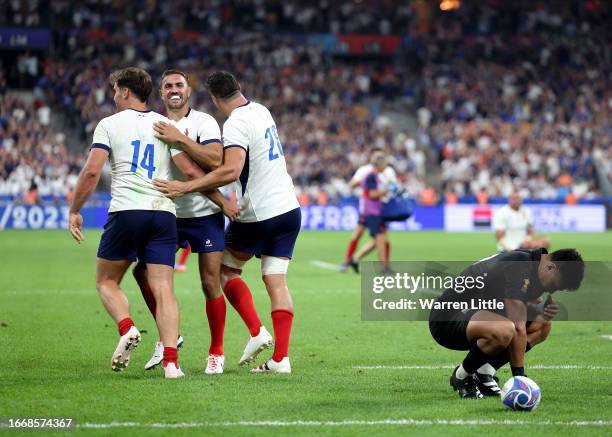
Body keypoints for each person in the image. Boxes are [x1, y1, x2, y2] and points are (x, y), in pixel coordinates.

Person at [154, 70, 301, 373]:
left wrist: (186, 187)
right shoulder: (261, 110)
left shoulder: (235, 123)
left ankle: (257, 331)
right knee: (276, 281)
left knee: (222, 271)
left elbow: (231, 170)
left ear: (215, 99)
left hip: (259, 214)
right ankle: (280, 359)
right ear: (239, 88)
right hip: (289, 208)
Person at [68, 67, 189, 378]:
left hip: (127, 211)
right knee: (164, 288)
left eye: (115, 90)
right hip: (163, 212)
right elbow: (187, 168)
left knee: (106, 281)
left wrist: (75, 210)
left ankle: (127, 327)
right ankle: (172, 363)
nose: (113, 96)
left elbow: (92, 172)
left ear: (124, 91)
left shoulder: (108, 125)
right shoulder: (165, 124)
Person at [131, 69, 244, 375]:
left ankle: (216, 351)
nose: (173, 89)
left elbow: (215, 160)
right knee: (142, 272)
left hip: (204, 214)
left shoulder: (203, 122)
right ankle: (169, 336)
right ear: (161, 93)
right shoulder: (154, 124)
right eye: (167, 86)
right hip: (167, 214)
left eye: (179, 84)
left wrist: (180, 139)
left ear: (188, 90)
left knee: (210, 283)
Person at [428, 248, 584, 398]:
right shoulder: (519, 265)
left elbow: (506, 302)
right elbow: (517, 326)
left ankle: (484, 372)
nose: (552, 291)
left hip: (478, 314)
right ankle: (462, 376)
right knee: (505, 330)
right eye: (555, 285)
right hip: (446, 318)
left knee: (542, 325)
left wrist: (539, 309)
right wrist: (520, 379)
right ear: (550, 267)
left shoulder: (533, 266)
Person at [341, 148, 396, 272]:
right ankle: (348, 261)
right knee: (365, 236)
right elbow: (367, 191)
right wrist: (386, 189)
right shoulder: (367, 172)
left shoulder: (387, 172)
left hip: (381, 209)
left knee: (380, 238)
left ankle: (356, 259)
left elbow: (394, 185)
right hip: (369, 210)